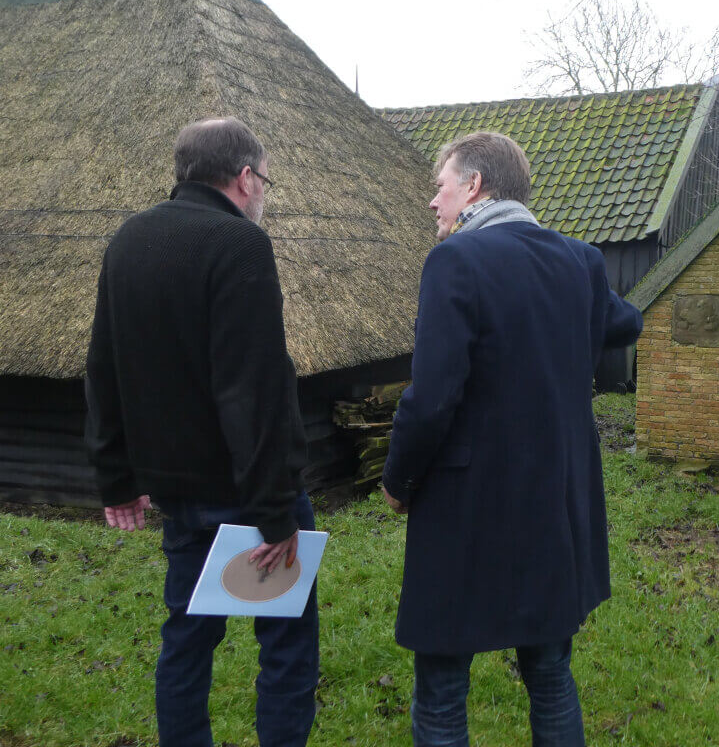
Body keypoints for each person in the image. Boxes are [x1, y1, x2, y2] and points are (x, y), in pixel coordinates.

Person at [381, 131, 643, 746]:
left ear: (474, 187)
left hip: (466, 508)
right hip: (554, 500)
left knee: (443, 684)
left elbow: (432, 397)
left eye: (438, 187)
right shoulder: (580, 261)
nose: (432, 203)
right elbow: (624, 323)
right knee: (550, 673)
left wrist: (397, 480)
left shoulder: (456, 261)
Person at [85, 117, 317, 747]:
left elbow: (102, 365)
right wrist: (275, 513)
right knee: (287, 647)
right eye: (263, 179)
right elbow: (256, 389)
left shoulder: (128, 239)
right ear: (245, 177)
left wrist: (116, 477)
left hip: (176, 492)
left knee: (186, 642)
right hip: (248, 491)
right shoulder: (240, 244)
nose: (262, 192)